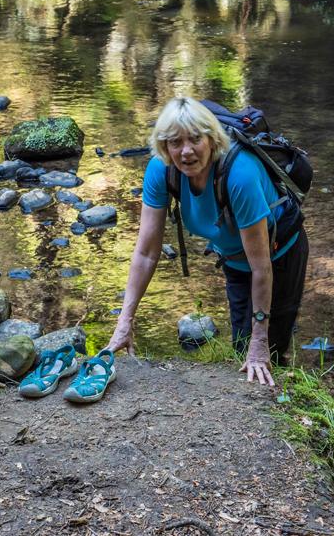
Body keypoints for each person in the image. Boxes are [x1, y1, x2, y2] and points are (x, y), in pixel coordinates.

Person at [105, 97, 309, 387]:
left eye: (195, 139)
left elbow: (262, 267)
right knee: (242, 344)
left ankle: (284, 400)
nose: (186, 151)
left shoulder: (240, 174)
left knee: (267, 349)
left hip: (280, 256)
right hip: (234, 258)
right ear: (165, 147)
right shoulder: (160, 170)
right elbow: (146, 253)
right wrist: (124, 322)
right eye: (175, 142)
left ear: (212, 139)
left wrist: (260, 340)